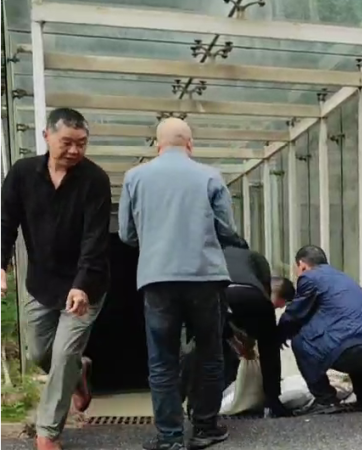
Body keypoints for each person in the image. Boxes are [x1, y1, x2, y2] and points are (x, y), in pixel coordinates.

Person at [119, 118, 243, 450]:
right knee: (209, 355)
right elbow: (227, 229)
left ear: (157, 144)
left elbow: (127, 235)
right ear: (190, 144)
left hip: (157, 278)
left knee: (162, 359)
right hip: (204, 277)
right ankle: (205, 428)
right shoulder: (210, 176)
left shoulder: (134, 177)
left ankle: (170, 437)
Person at [0, 108, 111, 450]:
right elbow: (5, 222)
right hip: (41, 283)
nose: (75, 150)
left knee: (63, 354)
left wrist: (81, 285)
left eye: (82, 143)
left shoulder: (95, 179)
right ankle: (79, 374)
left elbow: (95, 238)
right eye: (67, 142)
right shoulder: (22, 174)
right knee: (37, 353)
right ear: (47, 136)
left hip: (87, 283)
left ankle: (48, 433)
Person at [278, 245, 362, 415]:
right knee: (349, 338)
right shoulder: (343, 277)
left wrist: (279, 335)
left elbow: (294, 315)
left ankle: (325, 400)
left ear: (302, 265)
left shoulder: (309, 278)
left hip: (354, 352)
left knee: (300, 340)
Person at [180, 237, 290, 418]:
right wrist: (255, 336)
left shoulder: (212, 255)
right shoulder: (255, 257)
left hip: (218, 296)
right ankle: (273, 402)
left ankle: (196, 405)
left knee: (204, 349)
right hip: (252, 295)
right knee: (269, 346)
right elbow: (265, 289)